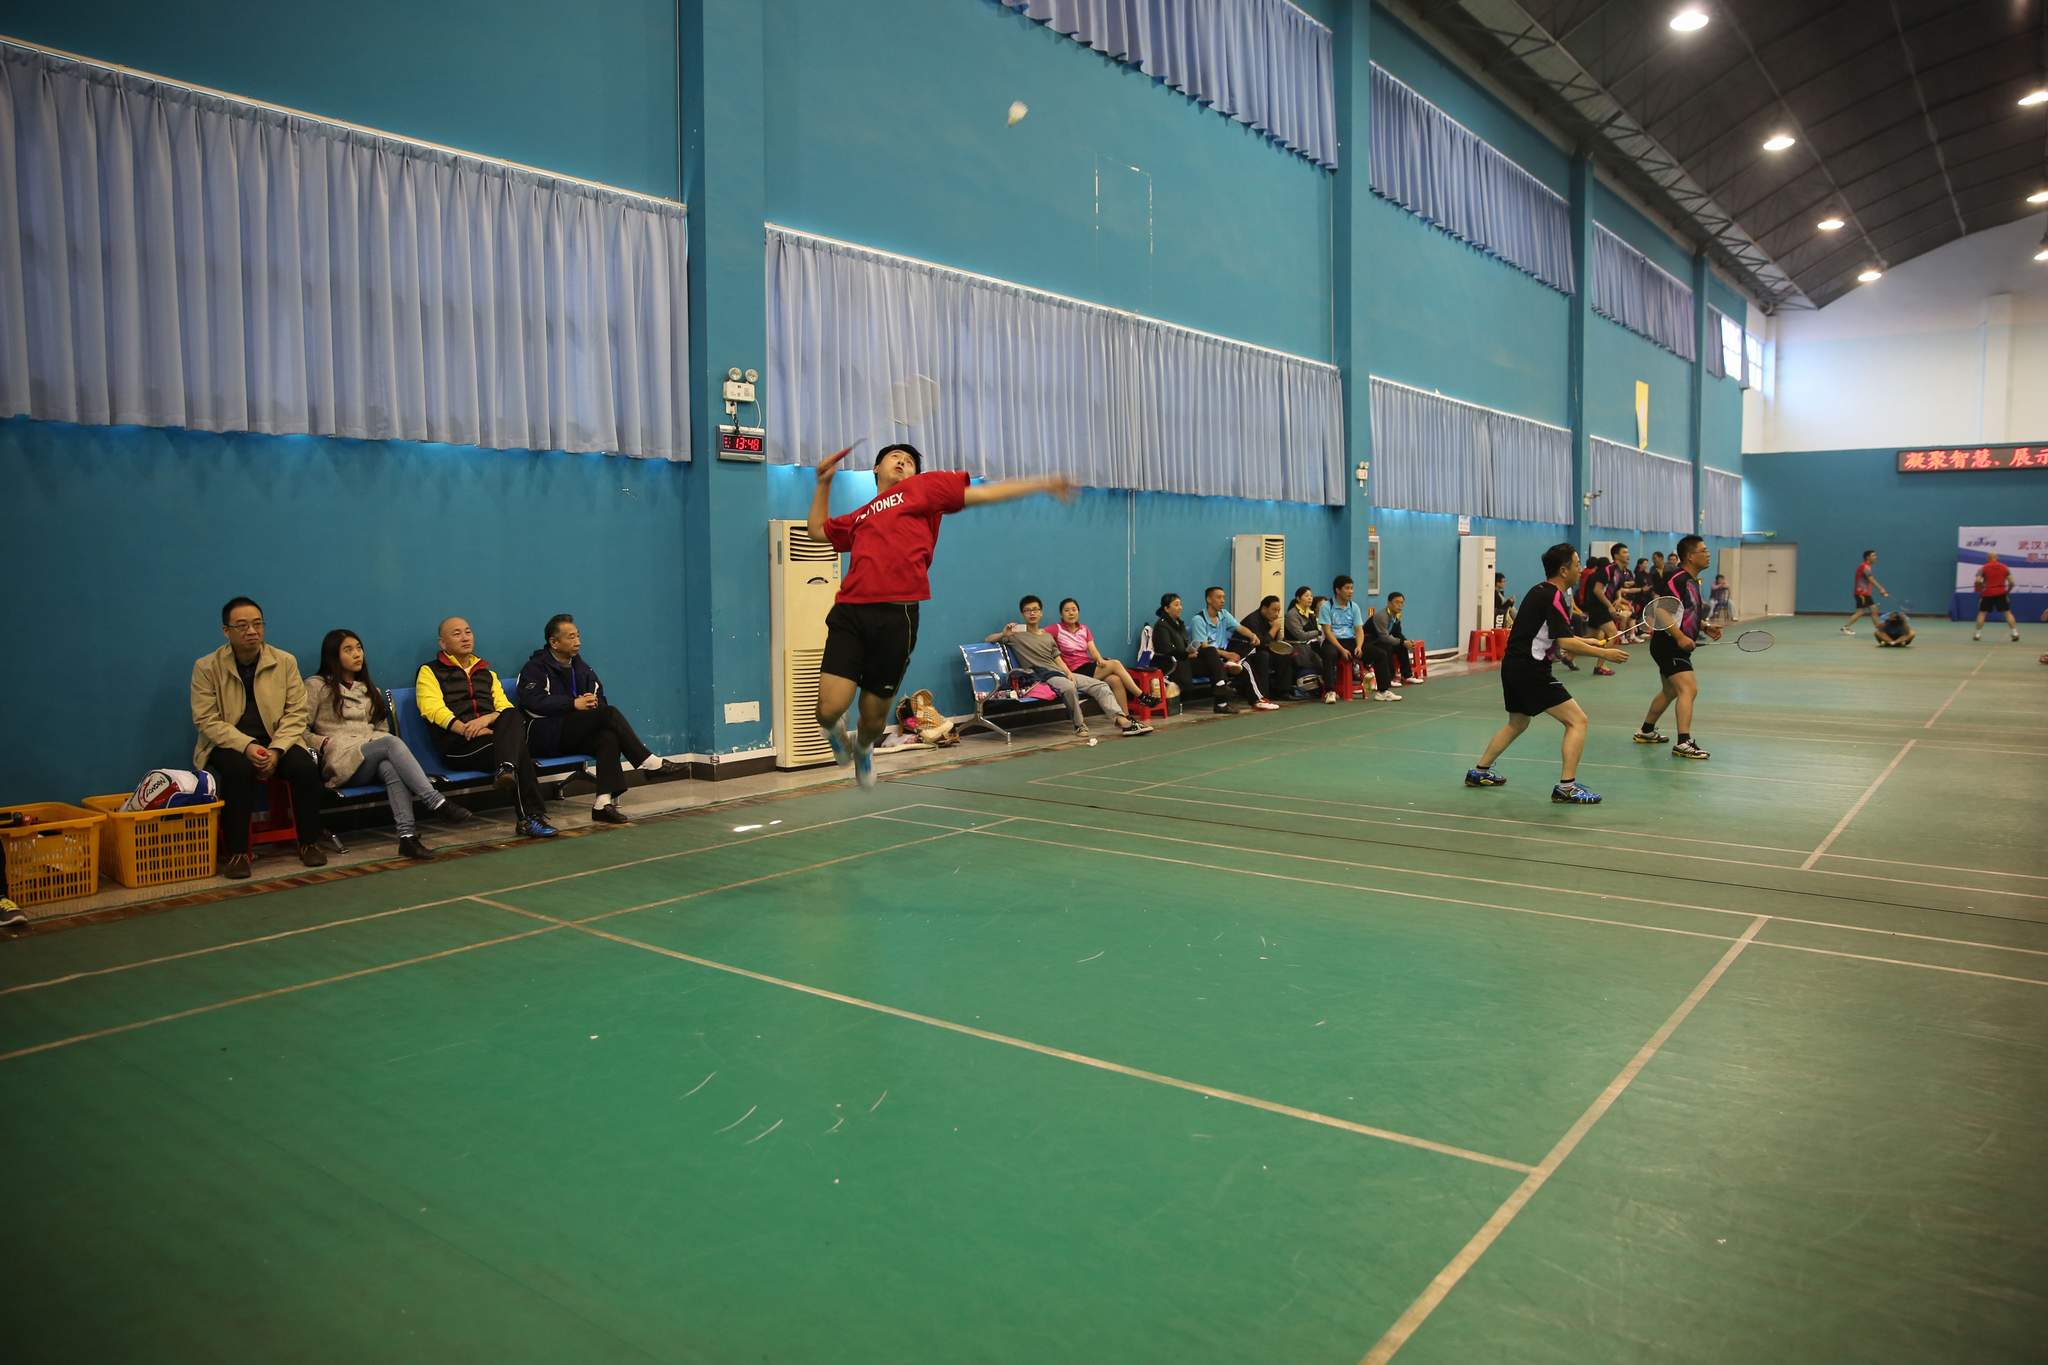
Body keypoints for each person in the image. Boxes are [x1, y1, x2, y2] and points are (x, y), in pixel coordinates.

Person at [810, 442, 1075, 787]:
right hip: (851, 612)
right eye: (894, 457)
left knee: (872, 720)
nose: (902, 461)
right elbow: (818, 531)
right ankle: (835, 731)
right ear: (875, 469)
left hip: (897, 618)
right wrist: (824, 482)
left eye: (909, 461)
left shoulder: (923, 490)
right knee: (827, 710)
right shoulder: (861, 516)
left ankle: (863, 747)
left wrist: (1042, 483)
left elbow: (983, 495)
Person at [1464, 545, 1629, 803]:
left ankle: (1479, 772)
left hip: (1513, 666)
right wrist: (1605, 654)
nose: (1580, 569)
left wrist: (1587, 641)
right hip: (1531, 670)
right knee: (1577, 721)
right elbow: (1564, 643)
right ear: (1563, 570)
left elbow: (1553, 633)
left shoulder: (1539, 591)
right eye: (1577, 564)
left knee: (1518, 722)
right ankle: (1567, 788)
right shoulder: (1554, 597)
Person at [191, 596, 329, 879]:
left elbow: (297, 713)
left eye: (257, 624)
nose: (251, 631)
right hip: (229, 743)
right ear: (226, 631)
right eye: (242, 626)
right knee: (238, 771)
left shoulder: (284, 661)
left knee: (305, 767)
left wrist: (276, 750)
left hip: (278, 740)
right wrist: (247, 745)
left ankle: (309, 843)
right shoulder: (206, 667)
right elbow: (206, 720)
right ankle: (238, 853)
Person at [306, 630, 472, 860]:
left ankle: (407, 838)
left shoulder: (368, 688)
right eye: (348, 650)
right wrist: (322, 742)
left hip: (369, 756)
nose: (357, 654)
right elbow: (299, 728)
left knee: (390, 766)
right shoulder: (316, 686)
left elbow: (381, 728)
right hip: (340, 760)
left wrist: (376, 741)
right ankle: (435, 801)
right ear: (333, 655)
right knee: (390, 743)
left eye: (359, 648)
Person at [517, 614, 680, 826]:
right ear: (554, 642)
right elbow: (532, 701)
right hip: (544, 734)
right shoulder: (535, 668)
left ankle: (602, 804)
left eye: (578, 636)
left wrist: (593, 704)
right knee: (609, 714)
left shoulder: (581, 668)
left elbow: (599, 697)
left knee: (607, 736)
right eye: (571, 637)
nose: (578, 641)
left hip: (573, 732)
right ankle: (648, 762)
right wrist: (572, 703)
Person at [416, 617, 556, 839]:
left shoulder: (487, 673)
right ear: (442, 643)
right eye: (457, 634)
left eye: (468, 632)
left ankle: (507, 769)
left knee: (512, 714)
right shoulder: (429, 671)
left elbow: (504, 707)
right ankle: (529, 817)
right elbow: (432, 709)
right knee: (518, 752)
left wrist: (485, 721)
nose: (465, 637)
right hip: (458, 746)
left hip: (490, 738)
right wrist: (465, 729)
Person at [988, 596, 1152, 737]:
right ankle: (1079, 725)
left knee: (1101, 686)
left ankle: (1122, 721)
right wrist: (1003, 634)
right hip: (1042, 675)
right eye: (1028, 610)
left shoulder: (1047, 636)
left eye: (1035, 609)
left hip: (1060, 672)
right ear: (1023, 614)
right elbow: (988, 639)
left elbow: (1057, 658)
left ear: (1041, 612)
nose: (1032, 613)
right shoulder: (1016, 636)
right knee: (1068, 687)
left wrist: (1068, 672)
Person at [1636, 535, 1719, 760]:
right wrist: (1680, 636)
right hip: (1669, 644)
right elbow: (1661, 610)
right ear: (1690, 556)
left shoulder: (1690, 580)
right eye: (1704, 550)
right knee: (1688, 689)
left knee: (1670, 691)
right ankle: (1683, 742)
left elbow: (1683, 612)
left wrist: (1704, 626)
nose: (1708, 554)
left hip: (1670, 644)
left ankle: (1646, 731)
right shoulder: (1679, 578)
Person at [1051, 599, 1150, 710]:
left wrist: (1099, 659)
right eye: (1067, 610)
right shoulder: (1056, 629)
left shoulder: (1084, 629)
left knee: (1115, 680)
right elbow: (1039, 634)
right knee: (1115, 664)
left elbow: (1093, 650)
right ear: (1061, 614)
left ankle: (1125, 716)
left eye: (1074, 610)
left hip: (1087, 666)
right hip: (1074, 671)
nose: (1071, 613)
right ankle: (1141, 696)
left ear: (1078, 612)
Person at [1149, 593, 1235, 714]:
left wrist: (1192, 650)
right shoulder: (1161, 626)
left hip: (1186, 660)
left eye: (1180, 604)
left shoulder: (1179, 624)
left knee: (1211, 652)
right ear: (1166, 608)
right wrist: (1186, 654)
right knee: (1214, 667)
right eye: (1176, 605)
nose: (1180, 608)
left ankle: (1220, 689)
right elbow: (1166, 650)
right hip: (1174, 664)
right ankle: (1221, 699)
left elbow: (1184, 646)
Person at [1319, 575, 1399, 703]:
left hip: (1351, 641)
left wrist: (1359, 646)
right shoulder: (1326, 607)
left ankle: (1383, 691)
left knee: (1380, 654)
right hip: (1332, 641)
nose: (1350, 591)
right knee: (1329, 654)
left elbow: (1359, 630)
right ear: (1338, 590)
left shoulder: (1354, 606)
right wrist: (1342, 649)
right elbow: (1327, 632)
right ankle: (1330, 691)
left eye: (1352, 588)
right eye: (1347, 588)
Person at [1190, 586, 1266, 706]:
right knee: (1243, 664)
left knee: (1249, 648)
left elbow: (1240, 628)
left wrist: (1252, 635)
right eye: (1219, 597)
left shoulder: (1224, 614)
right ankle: (1254, 698)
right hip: (1207, 658)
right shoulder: (1198, 620)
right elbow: (1204, 647)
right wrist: (1227, 654)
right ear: (1209, 599)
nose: (1222, 600)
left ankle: (1257, 701)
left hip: (1224, 655)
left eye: (1224, 597)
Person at [1578, 547, 1628, 676]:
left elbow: (1618, 589)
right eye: (1624, 552)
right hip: (1598, 606)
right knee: (1613, 634)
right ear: (1616, 555)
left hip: (1603, 606)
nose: (1627, 555)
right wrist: (1610, 606)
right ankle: (1600, 667)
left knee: (1591, 636)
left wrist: (1618, 599)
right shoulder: (1608, 570)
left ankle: (1568, 654)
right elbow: (1597, 590)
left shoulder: (1621, 572)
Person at [1238, 596, 1289, 709]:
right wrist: (1274, 629)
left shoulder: (1270, 621)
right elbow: (1260, 643)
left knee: (1284, 655)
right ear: (1264, 608)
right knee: (1263, 656)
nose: (1277, 614)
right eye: (1274, 610)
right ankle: (1263, 695)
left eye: (1278, 610)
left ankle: (1282, 691)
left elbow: (1277, 643)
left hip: (1263, 650)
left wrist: (1278, 631)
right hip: (1247, 652)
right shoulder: (1252, 621)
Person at [1365, 591, 1422, 686]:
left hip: (1381, 640)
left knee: (1401, 646)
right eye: (1397, 602)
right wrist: (1402, 642)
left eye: (1401, 603)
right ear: (1389, 603)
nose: (1400, 605)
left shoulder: (1397, 615)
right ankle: (1389, 679)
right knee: (1387, 647)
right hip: (1370, 642)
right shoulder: (1381, 616)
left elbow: (1397, 633)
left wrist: (1406, 642)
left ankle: (1407, 676)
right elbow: (1384, 637)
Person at [1283, 586, 1327, 694]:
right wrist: (1318, 632)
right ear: (1298, 598)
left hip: (1310, 644)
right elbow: (1300, 635)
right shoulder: (1292, 615)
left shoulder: (1311, 613)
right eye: (1306, 596)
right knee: (1321, 657)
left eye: (1311, 596)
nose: (1310, 598)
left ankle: (1329, 686)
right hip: (1297, 647)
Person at [1972, 551, 2021, 642]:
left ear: (1988, 558)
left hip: (1987, 593)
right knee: (2007, 613)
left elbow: (1977, 581)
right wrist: (2007, 592)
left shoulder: (1982, 568)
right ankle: (2015, 633)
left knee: (1982, 613)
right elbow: (2012, 582)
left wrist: (1982, 589)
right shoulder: (2005, 567)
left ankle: (1977, 634)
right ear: (1997, 558)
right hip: (2001, 593)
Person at [1841, 549, 1888, 635]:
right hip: (1861, 593)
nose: (1876, 557)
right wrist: (1881, 589)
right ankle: (1845, 627)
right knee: (1860, 612)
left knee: (1874, 610)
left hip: (1865, 593)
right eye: (1873, 555)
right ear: (1867, 557)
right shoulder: (1865, 566)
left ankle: (1879, 630)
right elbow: (1871, 579)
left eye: (1875, 555)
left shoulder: (1867, 567)